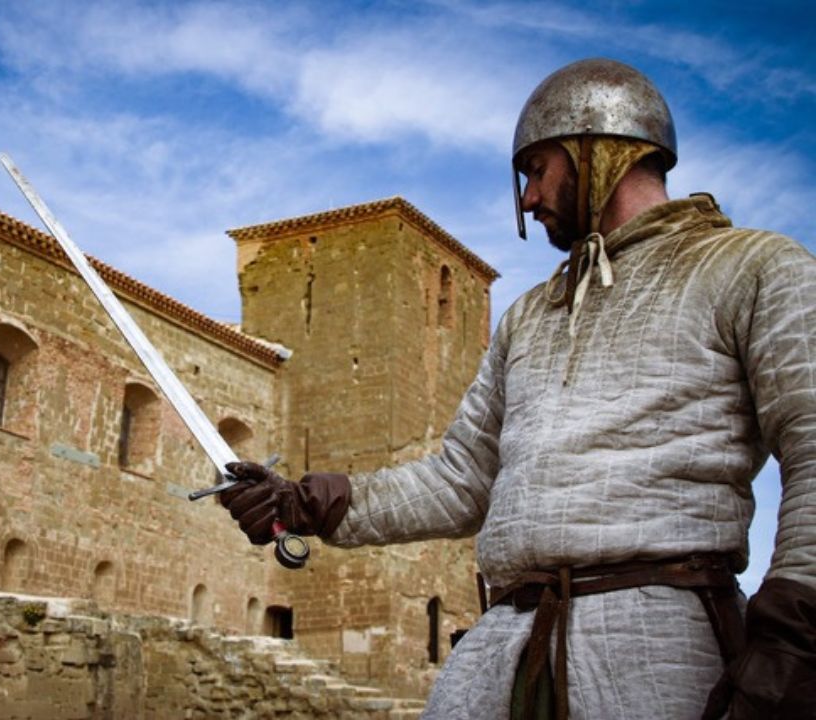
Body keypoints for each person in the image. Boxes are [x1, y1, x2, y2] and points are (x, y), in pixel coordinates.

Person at [220, 58, 816, 719]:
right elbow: (460, 481)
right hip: (501, 645)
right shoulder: (531, 315)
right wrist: (305, 504)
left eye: (538, 169)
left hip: (657, 641)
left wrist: (795, 630)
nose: (528, 198)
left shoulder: (755, 268)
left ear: (600, 149)